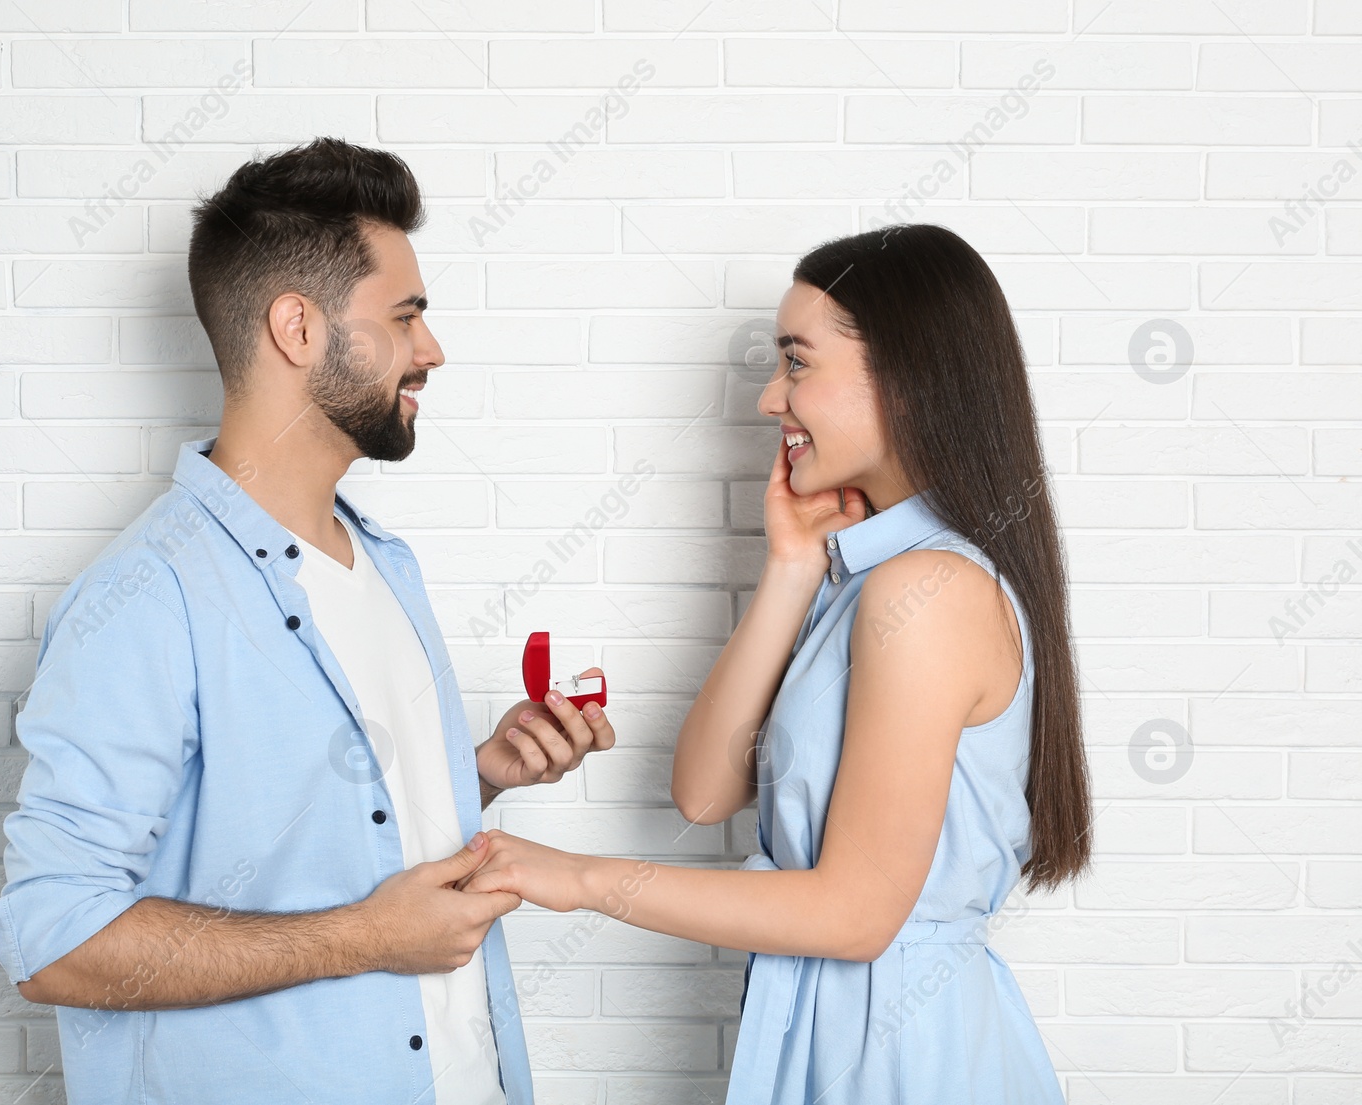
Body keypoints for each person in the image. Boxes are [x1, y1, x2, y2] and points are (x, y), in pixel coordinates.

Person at [0, 137, 617, 1105]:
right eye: (405, 317)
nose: (431, 349)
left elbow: (316, 827)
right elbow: (53, 937)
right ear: (297, 328)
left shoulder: (384, 564)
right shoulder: (148, 597)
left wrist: (469, 775)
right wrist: (362, 937)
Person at [457, 224, 1092, 1103]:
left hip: (903, 1054)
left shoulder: (930, 591)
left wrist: (576, 878)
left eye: (798, 362)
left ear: (908, 378)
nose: (769, 397)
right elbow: (705, 793)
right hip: (843, 1031)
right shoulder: (864, 581)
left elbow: (854, 913)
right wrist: (790, 568)